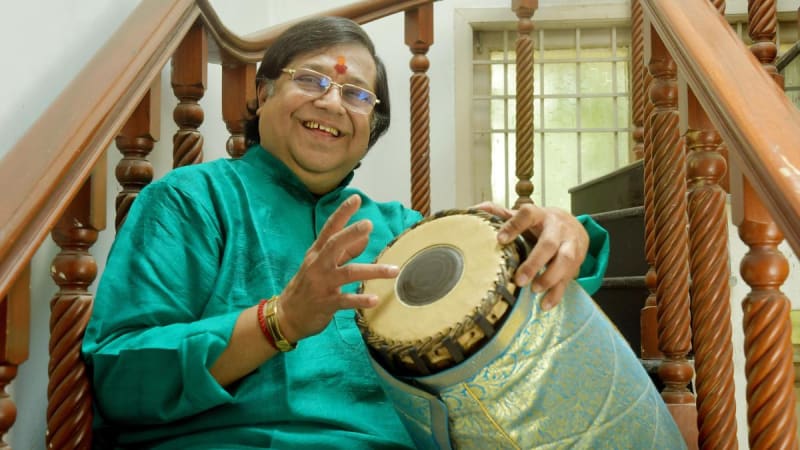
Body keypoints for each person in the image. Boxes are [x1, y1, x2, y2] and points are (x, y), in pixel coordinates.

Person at [82, 16, 609, 449]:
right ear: (263, 94)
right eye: (311, 79)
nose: (332, 103)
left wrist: (561, 235)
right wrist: (279, 320)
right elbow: (121, 379)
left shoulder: (401, 232)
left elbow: (518, 309)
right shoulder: (189, 201)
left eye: (357, 94)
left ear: (369, 131)